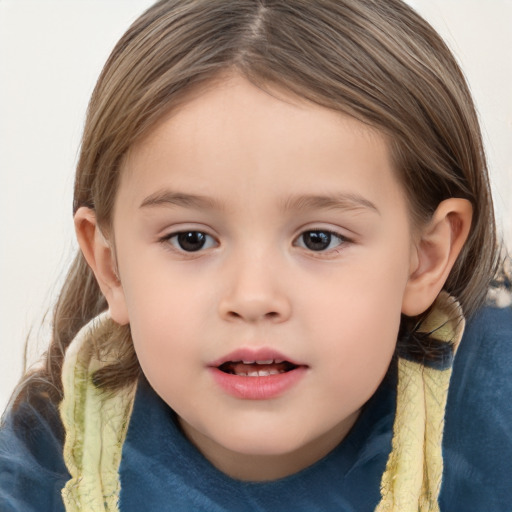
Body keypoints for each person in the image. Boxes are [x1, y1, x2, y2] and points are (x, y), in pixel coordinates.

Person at [1, 0, 511, 510]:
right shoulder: (41, 471)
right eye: (191, 240)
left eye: (318, 239)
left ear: (424, 256)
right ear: (111, 266)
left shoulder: (496, 413)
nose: (252, 297)